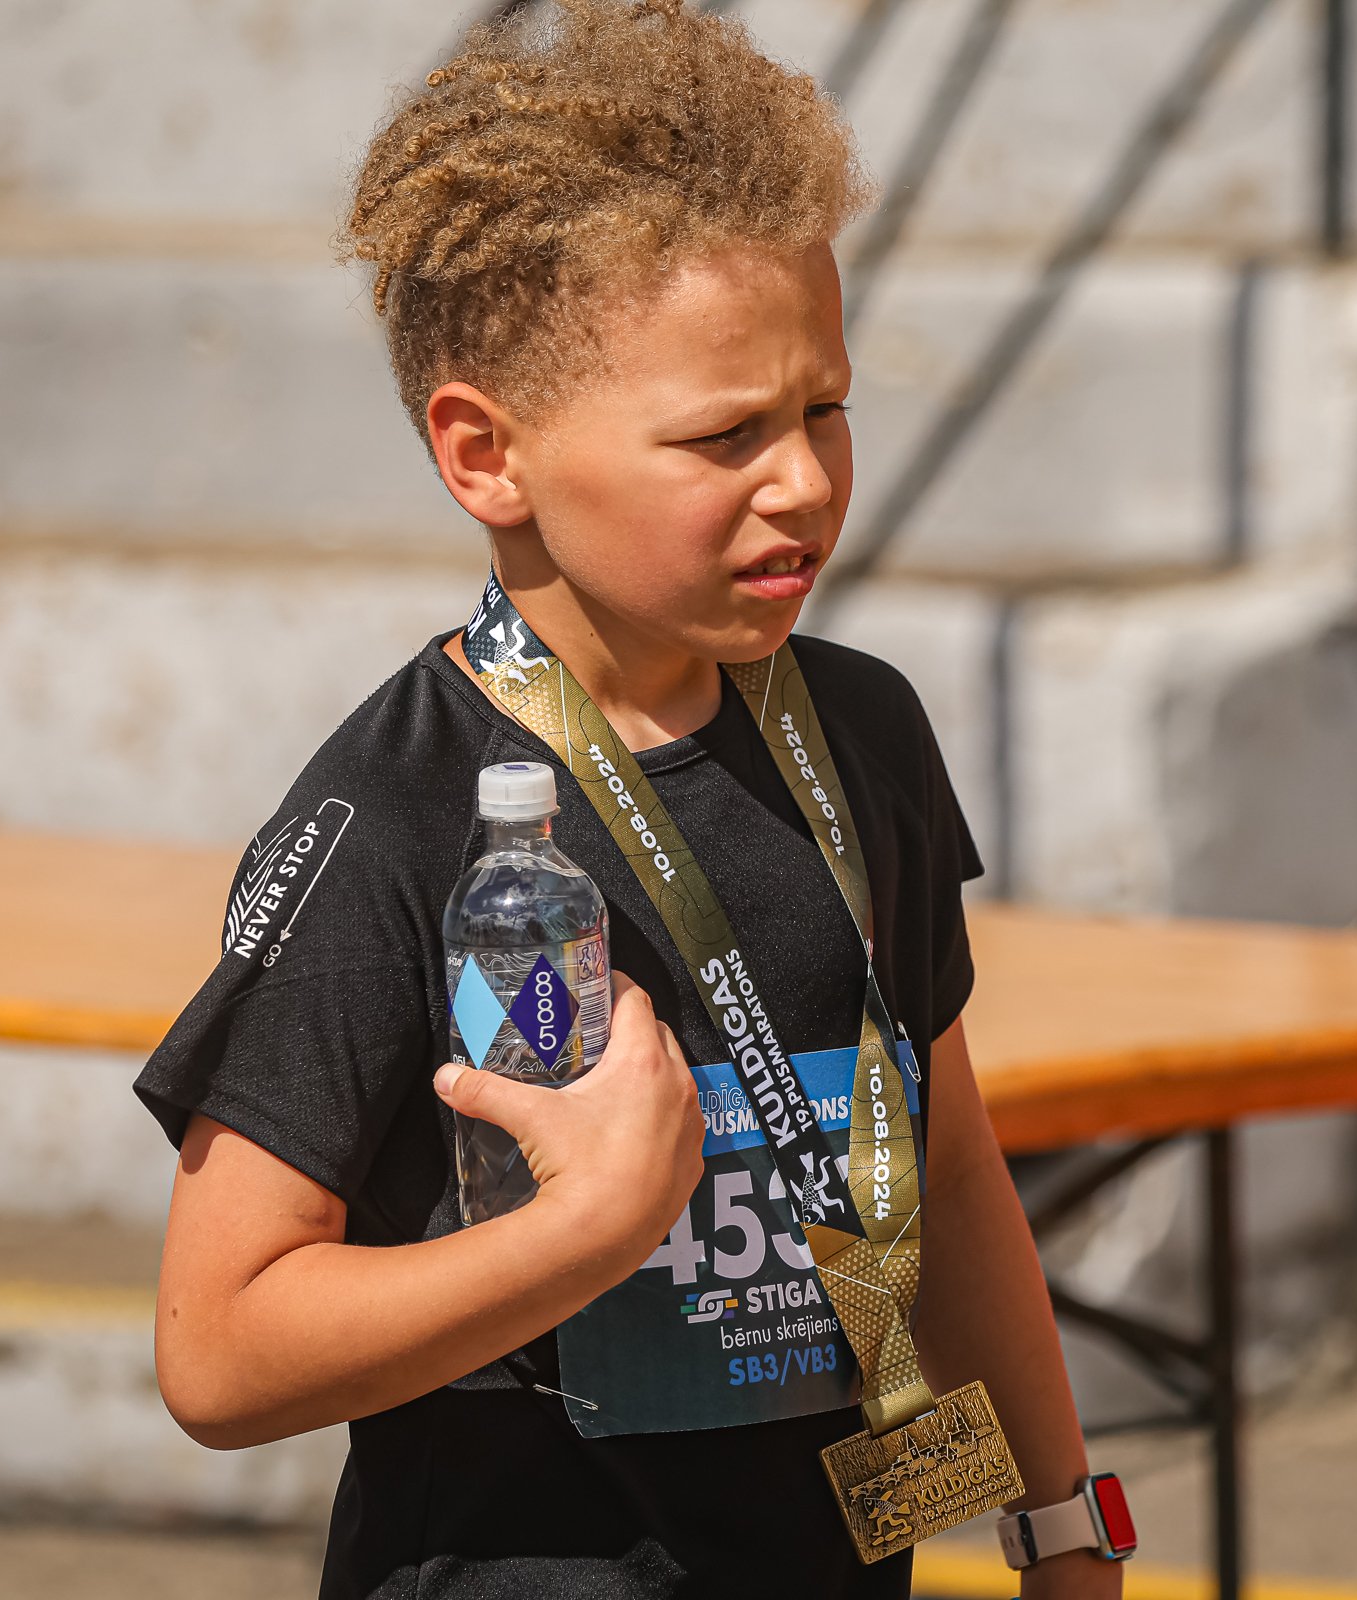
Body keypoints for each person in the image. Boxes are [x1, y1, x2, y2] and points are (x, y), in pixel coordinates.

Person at [135, 4, 1120, 1595]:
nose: (804, 480)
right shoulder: (391, 811)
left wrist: (1060, 1527)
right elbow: (217, 1349)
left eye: (824, 407)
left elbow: (943, 1175)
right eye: (724, 436)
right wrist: (579, 1236)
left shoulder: (864, 733)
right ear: (487, 455)